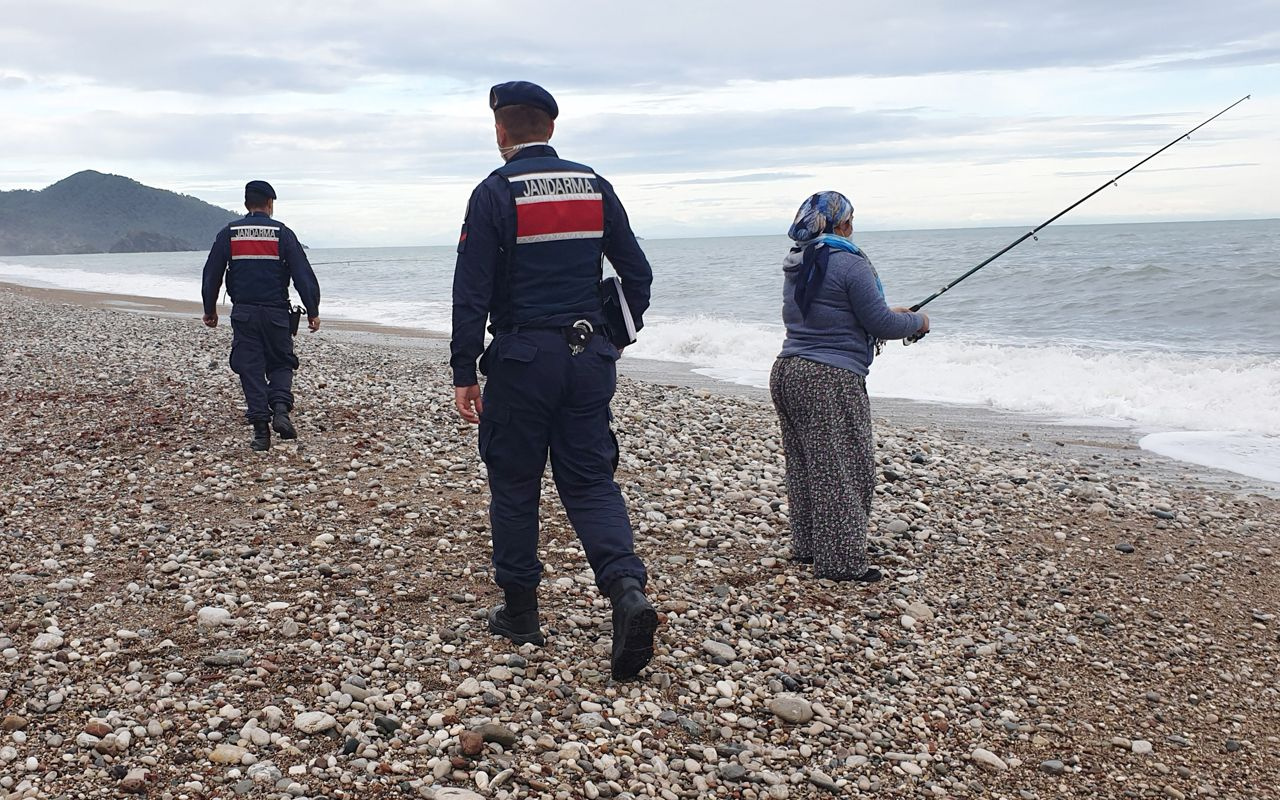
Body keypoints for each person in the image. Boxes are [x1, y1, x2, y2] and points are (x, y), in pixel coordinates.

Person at [450, 81, 657, 681]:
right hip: (588, 356)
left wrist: (465, 369)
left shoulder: (494, 193)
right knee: (591, 480)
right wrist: (614, 336)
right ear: (551, 127)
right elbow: (636, 273)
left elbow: (472, 291)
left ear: (500, 131)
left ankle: (520, 613)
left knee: (515, 485)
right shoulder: (593, 185)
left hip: (521, 360)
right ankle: (625, 591)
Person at [770, 191, 929, 582]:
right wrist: (918, 322)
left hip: (789, 371)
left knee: (807, 465)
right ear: (840, 223)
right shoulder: (848, 262)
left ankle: (809, 546)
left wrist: (889, 313)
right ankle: (840, 562)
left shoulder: (801, 259)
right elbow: (881, 325)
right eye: (851, 219)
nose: (853, 227)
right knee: (844, 467)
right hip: (829, 377)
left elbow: (832, 312)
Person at [201, 180, 321, 451]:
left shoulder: (228, 233)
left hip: (244, 313)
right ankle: (280, 409)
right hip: (277, 313)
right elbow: (303, 275)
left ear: (246, 204)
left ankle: (260, 433)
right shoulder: (282, 234)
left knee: (250, 367)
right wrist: (312, 310)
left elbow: (212, 275)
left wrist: (210, 309)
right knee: (281, 362)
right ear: (270, 204)